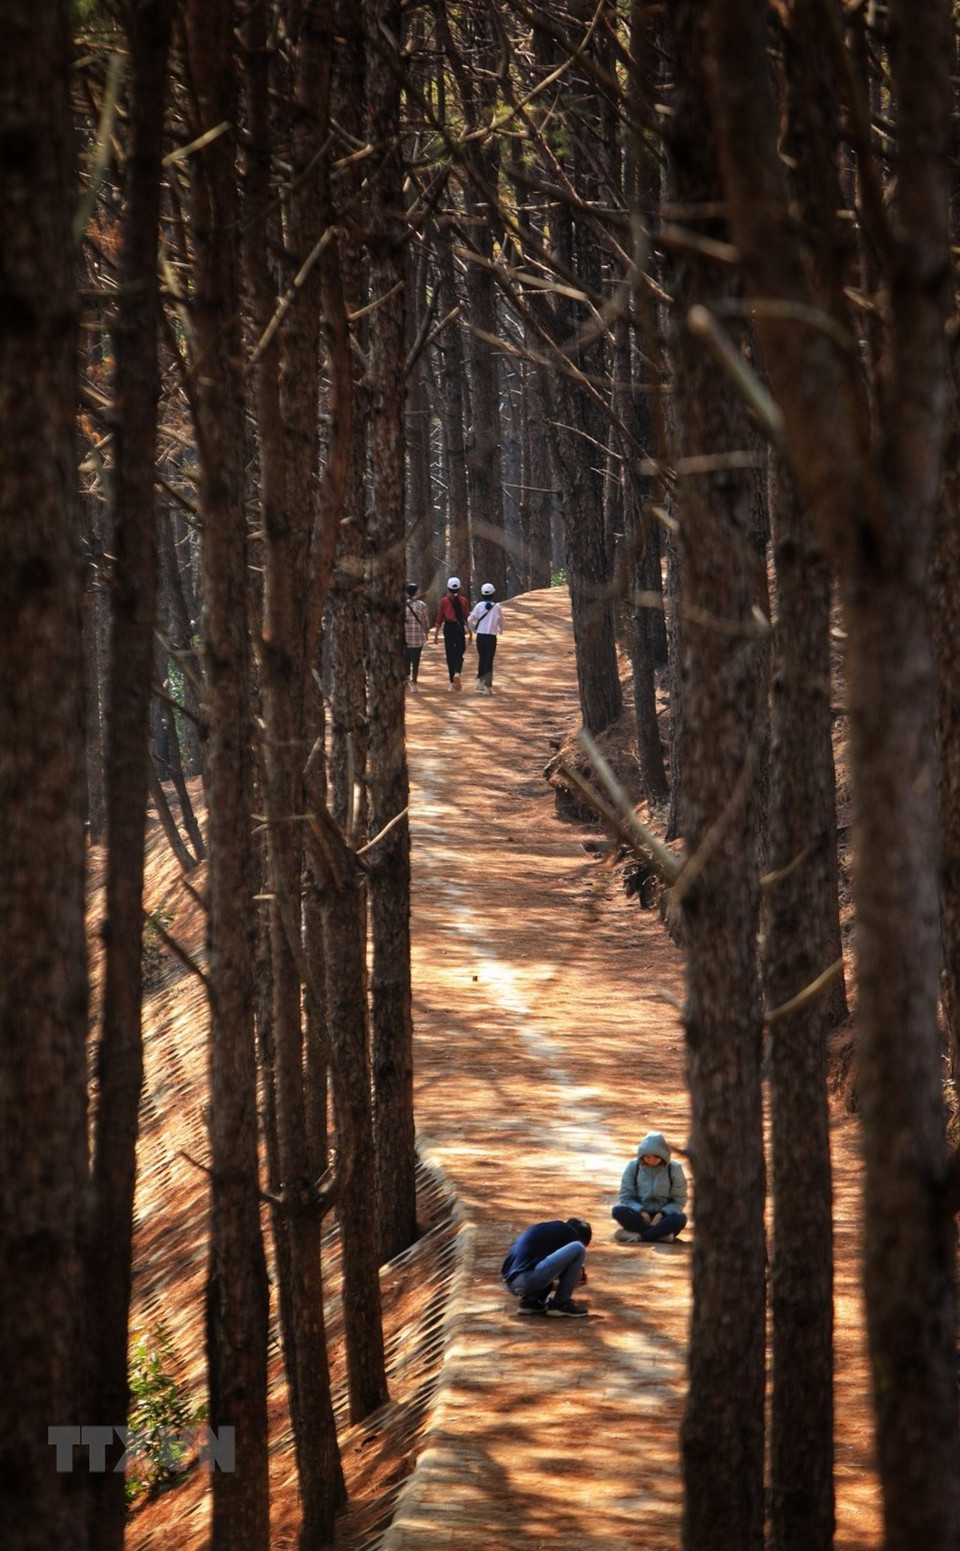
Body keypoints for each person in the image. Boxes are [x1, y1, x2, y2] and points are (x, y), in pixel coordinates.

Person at [500, 1216, 592, 1316]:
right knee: (578, 1248)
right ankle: (561, 1304)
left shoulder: (551, 1230)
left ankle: (531, 1302)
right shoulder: (571, 1234)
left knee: (539, 1265)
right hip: (527, 1279)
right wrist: (576, 1276)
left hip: (511, 1283)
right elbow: (574, 1273)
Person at [611, 1130, 688, 1243]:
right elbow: (626, 1196)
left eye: (655, 1157)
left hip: (664, 1218)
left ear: (663, 1155)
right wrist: (641, 1212)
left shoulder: (674, 1169)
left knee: (680, 1218)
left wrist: (661, 1214)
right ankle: (659, 1236)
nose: (651, 1160)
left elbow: (680, 1200)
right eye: (647, 1157)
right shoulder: (633, 1166)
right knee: (617, 1210)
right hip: (640, 1216)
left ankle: (640, 1236)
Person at [433, 575, 471, 690]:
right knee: (460, 651)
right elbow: (467, 617)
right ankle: (457, 672)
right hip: (459, 628)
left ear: (448, 588)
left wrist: (435, 635)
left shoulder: (444, 601)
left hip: (448, 628)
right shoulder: (463, 600)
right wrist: (470, 633)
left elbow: (439, 618)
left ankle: (451, 683)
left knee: (450, 653)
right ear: (459, 588)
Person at [466, 582, 504, 694]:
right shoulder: (497, 607)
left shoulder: (478, 606)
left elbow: (469, 620)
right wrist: (500, 630)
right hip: (491, 637)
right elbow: (501, 620)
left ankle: (480, 682)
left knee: (482, 658)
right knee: (489, 660)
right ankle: (488, 687)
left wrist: (473, 629)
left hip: (480, 636)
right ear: (493, 594)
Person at [404, 582, 430, 690]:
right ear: (416, 592)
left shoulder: (403, 605)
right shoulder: (422, 605)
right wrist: (427, 632)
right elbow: (425, 621)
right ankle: (414, 683)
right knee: (416, 660)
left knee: (406, 659)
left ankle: (405, 679)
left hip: (405, 637)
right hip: (418, 637)